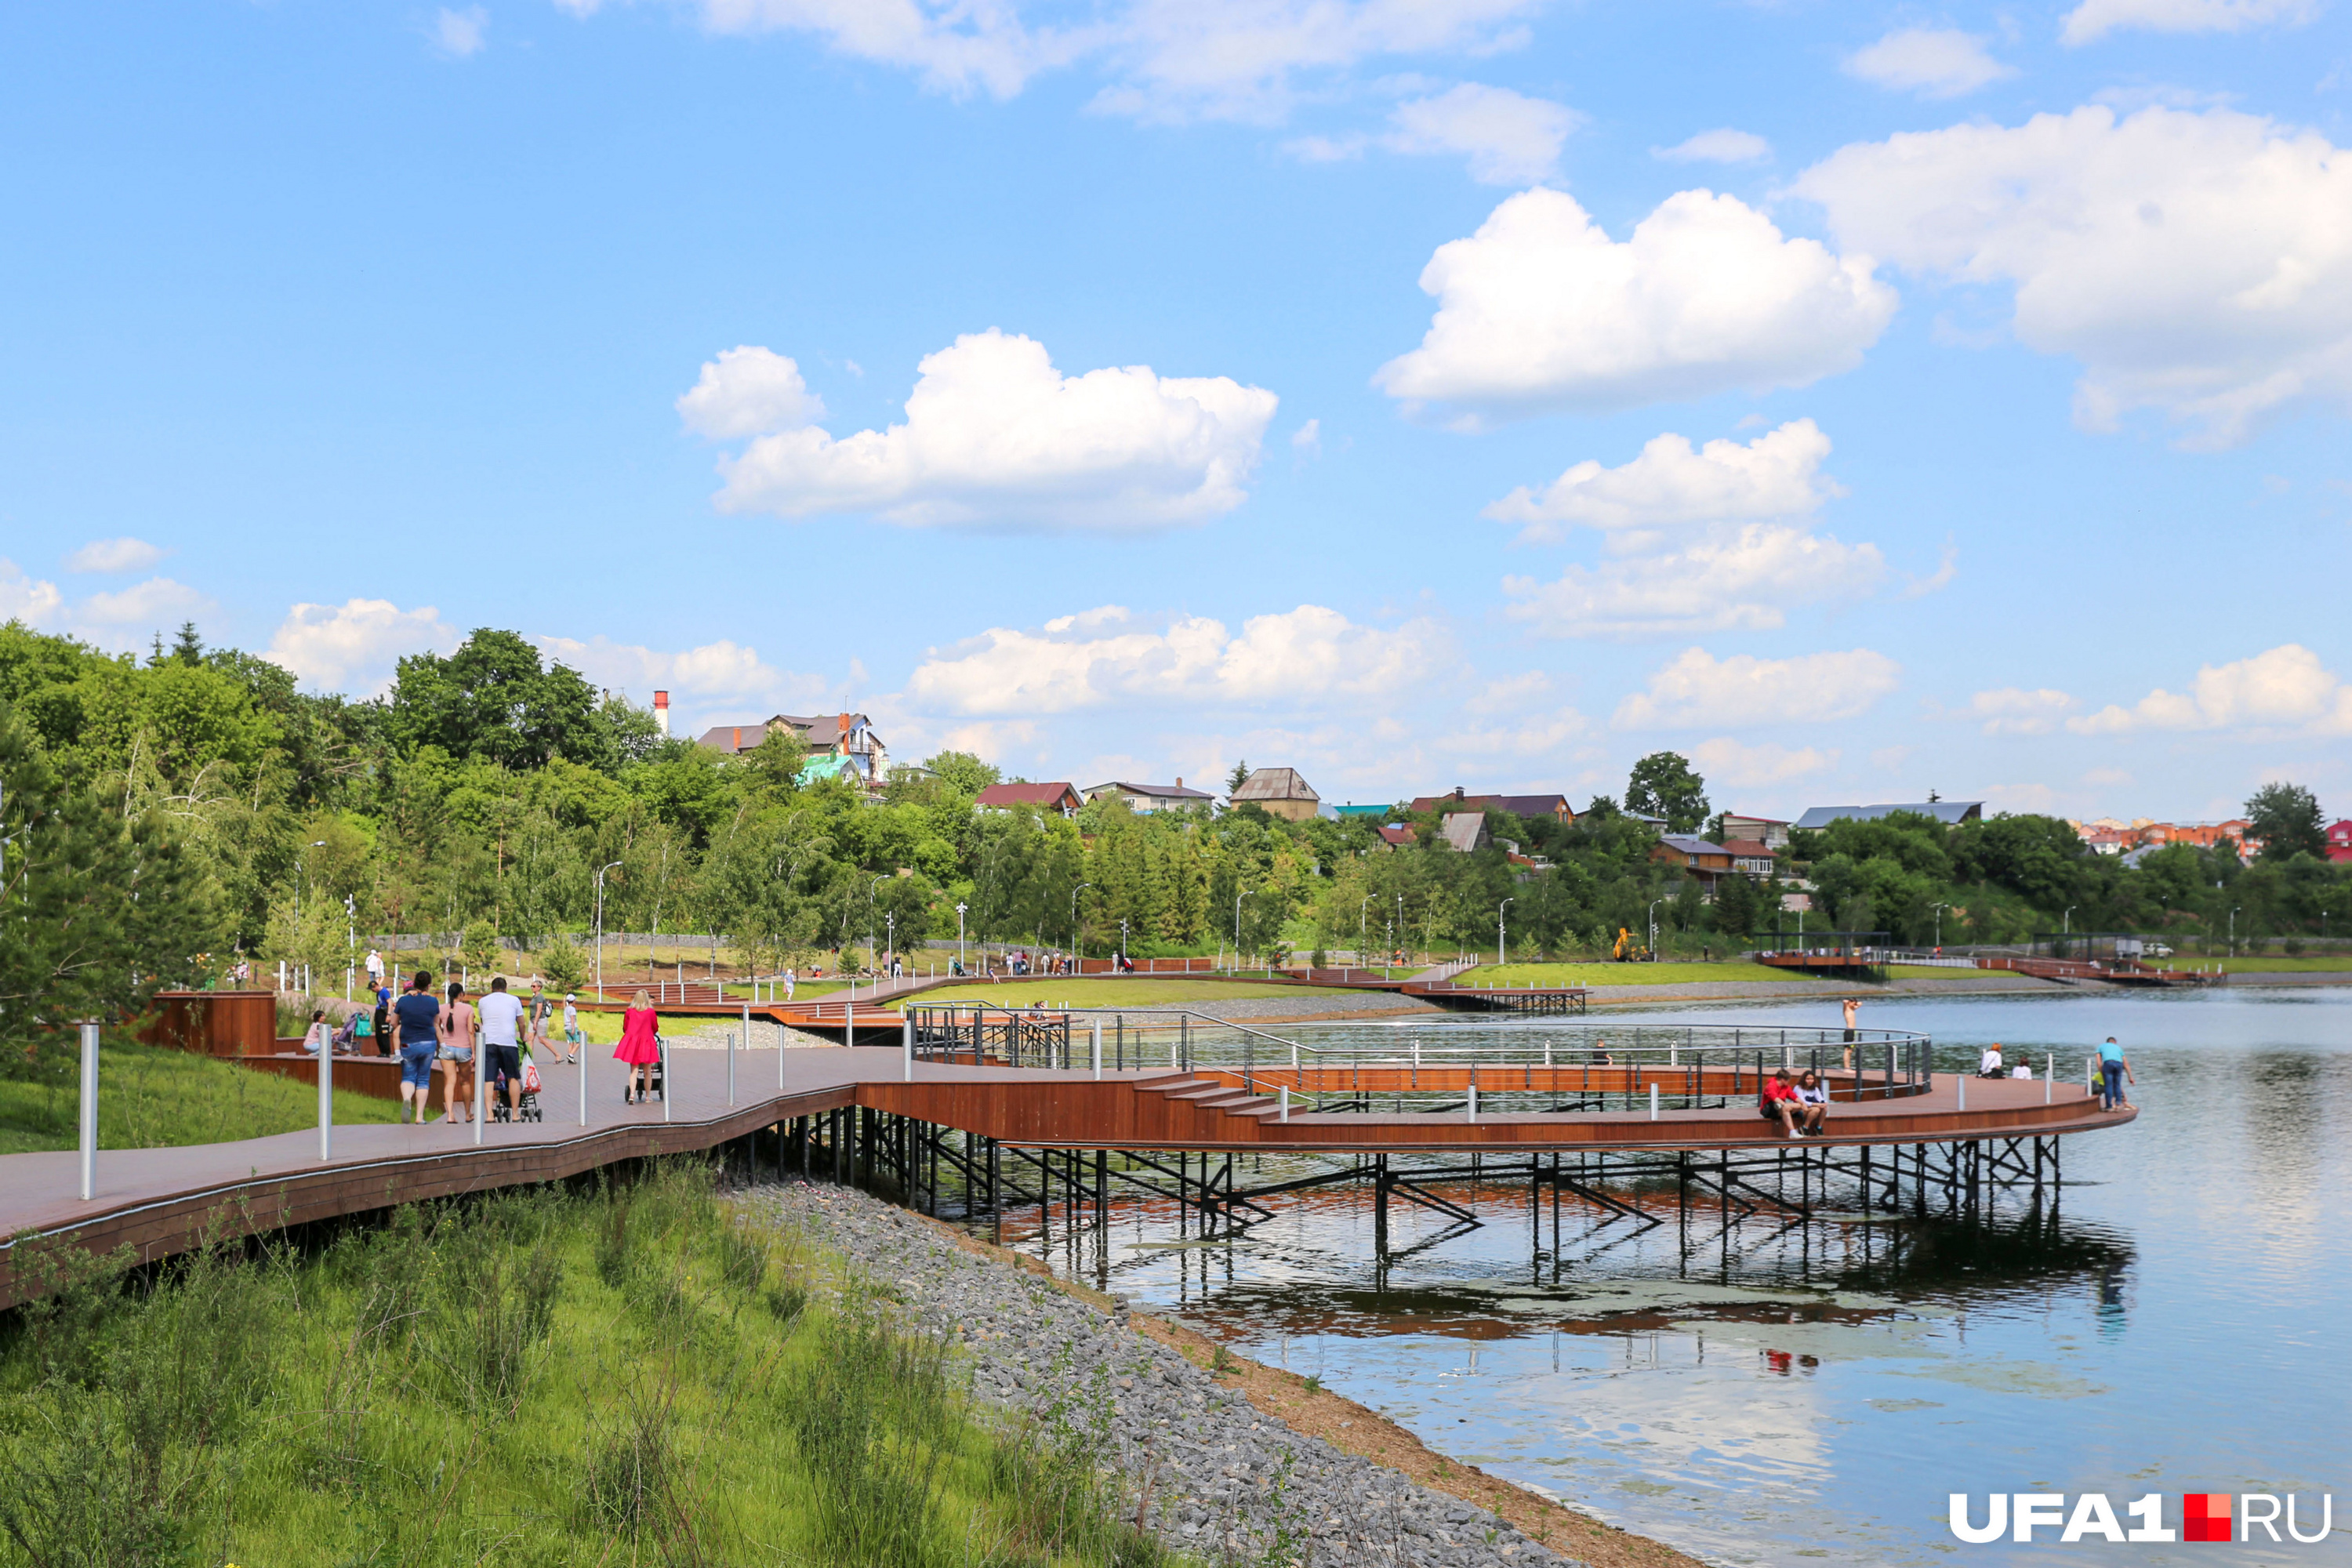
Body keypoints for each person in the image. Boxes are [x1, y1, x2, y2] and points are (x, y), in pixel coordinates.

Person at [394, 971, 441, 1123]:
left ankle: (407, 1098)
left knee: (408, 1076)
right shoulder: (433, 1002)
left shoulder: (403, 1001)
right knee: (423, 1079)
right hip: (428, 1043)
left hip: (408, 1043)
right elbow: (436, 1023)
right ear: (429, 985)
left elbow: (393, 1023)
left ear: (414, 983)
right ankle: (419, 1117)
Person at [478, 975, 528, 1119]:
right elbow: (522, 1023)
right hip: (508, 1042)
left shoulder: (483, 1001)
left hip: (488, 1042)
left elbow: (483, 1020)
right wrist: (523, 1037)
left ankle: (489, 1115)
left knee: (489, 1079)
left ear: (492, 988)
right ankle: (515, 1113)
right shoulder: (514, 1000)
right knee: (513, 1077)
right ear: (506, 988)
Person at [437, 980, 478, 1124]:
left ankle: (450, 1115)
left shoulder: (441, 1008)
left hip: (446, 1049)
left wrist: (442, 1042)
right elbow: (471, 1031)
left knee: (450, 1082)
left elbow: (436, 1026)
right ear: (461, 994)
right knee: (465, 1082)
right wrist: (474, 1052)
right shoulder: (468, 1009)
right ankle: (467, 1114)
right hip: (464, 1048)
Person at [615, 988, 661, 1103]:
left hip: (633, 1042)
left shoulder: (630, 1011)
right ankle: (648, 1096)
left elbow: (625, 1027)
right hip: (646, 1042)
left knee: (634, 1071)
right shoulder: (650, 1012)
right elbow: (655, 1027)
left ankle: (632, 1095)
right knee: (647, 1072)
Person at [1759, 1069, 1806, 1138]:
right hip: (1769, 1109)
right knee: (1785, 1108)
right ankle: (1792, 1131)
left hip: (1780, 1108)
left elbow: (1793, 1096)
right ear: (1782, 1080)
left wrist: (1802, 1103)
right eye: (1788, 1080)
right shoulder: (1771, 1085)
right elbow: (1774, 1098)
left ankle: (1789, 1117)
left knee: (1800, 1105)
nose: (1789, 1082)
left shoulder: (1786, 1087)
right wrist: (1785, 1105)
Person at [2096, 1036, 2136, 1110]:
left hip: (2108, 1063)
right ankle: (2118, 1104)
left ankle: (2109, 1106)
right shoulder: (2118, 1048)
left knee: (2108, 1085)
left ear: (2107, 1042)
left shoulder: (2101, 1047)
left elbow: (2098, 1062)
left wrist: (2102, 1072)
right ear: (2115, 1042)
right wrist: (2130, 1077)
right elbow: (2126, 1064)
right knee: (2117, 1085)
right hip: (2119, 1064)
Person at [1794, 1069, 1830, 1135]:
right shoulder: (1798, 1088)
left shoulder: (1815, 1088)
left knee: (1824, 1109)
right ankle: (1805, 1127)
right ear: (1804, 1079)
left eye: (1812, 1079)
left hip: (1811, 1107)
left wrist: (1824, 1103)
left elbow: (1821, 1098)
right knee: (1816, 1109)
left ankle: (1819, 1127)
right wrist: (1817, 1104)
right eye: (1808, 1079)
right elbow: (1802, 1102)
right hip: (1800, 1109)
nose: (1810, 1081)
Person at [561, 993, 583, 1064]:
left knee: (571, 1043)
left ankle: (570, 1057)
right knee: (579, 1042)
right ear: (573, 1001)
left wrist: (564, 1000)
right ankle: (571, 1055)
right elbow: (572, 1018)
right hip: (571, 1027)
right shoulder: (572, 1009)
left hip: (566, 1027)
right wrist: (573, 1028)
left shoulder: (566, 1008)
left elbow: (564, 1005)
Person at [1841, 996, 1860, 1070]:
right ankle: (1846, 1068)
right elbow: (1844, 1002)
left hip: (1853, 1031)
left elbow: (1861, 1004)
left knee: (1850, 1050)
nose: (1855, 1005)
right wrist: (1848, 1002)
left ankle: (1848, 1067)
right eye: (1853, 1003)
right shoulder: (1846, 1010)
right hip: (1849, 1031)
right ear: (1849, 1003)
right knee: (1847, 1050)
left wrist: (1854, 1003)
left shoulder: (1852, 1010)